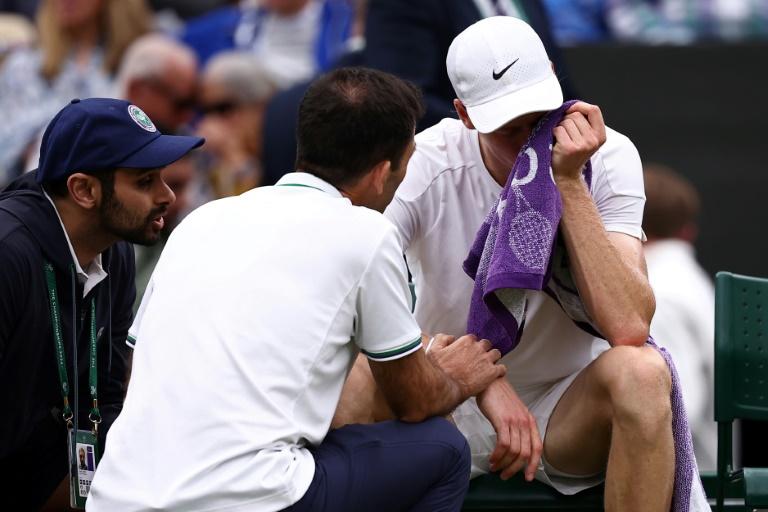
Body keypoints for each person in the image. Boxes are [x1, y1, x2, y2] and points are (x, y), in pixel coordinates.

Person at [87, 67, 505, 512]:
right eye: (407, 162)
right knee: (443, 447)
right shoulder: (366, 233)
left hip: (117, 497)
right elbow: (415, 401)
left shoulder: (202, 220)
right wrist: (458, 378)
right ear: (383, 173)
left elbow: (134, 375)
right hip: (251, 498)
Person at [339, 16, 688, 511]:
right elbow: (353, 294)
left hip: (564, 412)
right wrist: (479, 380)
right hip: (441, 398)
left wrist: (567, 183)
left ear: (552, 74)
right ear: (463, 114)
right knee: (353, 371)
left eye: (538, 119)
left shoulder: (608, 156)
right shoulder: (425, 161)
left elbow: (629, 325)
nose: (531, 143)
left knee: (644, 371)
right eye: (510, 129)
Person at [0, 97, 204, 510]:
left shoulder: (114, 249)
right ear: (84, 190)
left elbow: (107, 395)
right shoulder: (8, 255)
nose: (167, 197)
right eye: (145, 182)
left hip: (42, 467)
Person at [0, 0, 152, 186]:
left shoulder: (140, 58)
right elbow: (9, 147)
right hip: (40, 187)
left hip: (118, 180)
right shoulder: (24, 64)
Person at [643, 163, 716, 471]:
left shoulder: (659, 292)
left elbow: (671, 416)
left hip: (680, 485)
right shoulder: (688, 281)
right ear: (688, 230)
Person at [195, 51, 277, 198]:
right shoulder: (210, 159)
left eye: (223, 109)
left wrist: (237, 162)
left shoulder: (287, 147)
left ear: (261, 105)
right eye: (206, 112)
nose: (211, 124)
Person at [114, 34, 199, 136]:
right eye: (180, 104)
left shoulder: (189, 141)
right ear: (136, 89)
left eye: (193, 101)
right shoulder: (98, 142)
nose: (188, 116)